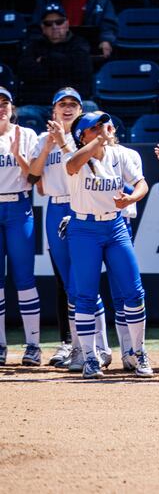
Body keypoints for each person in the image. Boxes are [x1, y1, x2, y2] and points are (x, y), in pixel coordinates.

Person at [27, 87, 112, 371]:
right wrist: (50, 145)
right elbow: (32, 176)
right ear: (53, 110)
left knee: (83, 279)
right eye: (62, 104)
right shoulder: (42, 140)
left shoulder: (83, 138)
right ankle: (77, 347)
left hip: (82, 207)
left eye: (73, 104)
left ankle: (99, 345)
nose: (67, 108)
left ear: (80, 110)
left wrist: (65, 142)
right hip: (56, 206)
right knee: (67, 280)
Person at [64, 111, 151, 379]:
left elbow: (141, 183)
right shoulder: (77, 157)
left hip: (114, 226)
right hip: (84, 229)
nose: (106, 129)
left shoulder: (120, 154)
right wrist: (96, 142)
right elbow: (72, 164)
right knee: (86, 295)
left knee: (134, 292)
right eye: (97, 127)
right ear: (83, 135)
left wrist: (131, 198)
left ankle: (138, 353)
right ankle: (91, 357)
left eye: (106, 124)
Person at [0, 87, 42, 367]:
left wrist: (17, 154)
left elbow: (34, 177)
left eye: (5, 102)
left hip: (18, 205)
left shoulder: (26, 135)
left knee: (25, 278)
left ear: (13, 107)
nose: (1, 107)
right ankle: (1, 345)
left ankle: (34, 345)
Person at [16, 3, 93, 125]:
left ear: (67, 24)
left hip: (72, 106)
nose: (54, 26)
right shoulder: (33, 46)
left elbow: (82, 70)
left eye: (59, 22)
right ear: (43, 27)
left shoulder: (79, 43)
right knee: (18, 113)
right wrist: (64, 65)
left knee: (91, 109)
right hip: (40, 105)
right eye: (48, 23)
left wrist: (46, 60)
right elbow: (27, 72)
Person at [32, 0, 118, 59]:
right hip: (53, 53)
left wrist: (106, 41)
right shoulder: (47, 1)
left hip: (87, 53)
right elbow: (35, 29)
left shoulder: (101, 2)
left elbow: (108, 26)